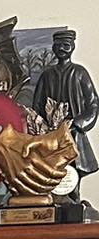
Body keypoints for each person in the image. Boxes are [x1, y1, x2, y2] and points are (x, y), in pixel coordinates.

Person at [32, 30, 97, 179]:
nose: (61, 48)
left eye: (66, 45)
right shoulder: (47, 75)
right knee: (50, 173)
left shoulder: (80, 72)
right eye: (58, 45)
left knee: (73, 173)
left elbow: (93, 103)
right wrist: (40, 128)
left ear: (73, 46)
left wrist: (78, 123)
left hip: (74, 133)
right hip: (50, 134)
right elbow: (37, 105)